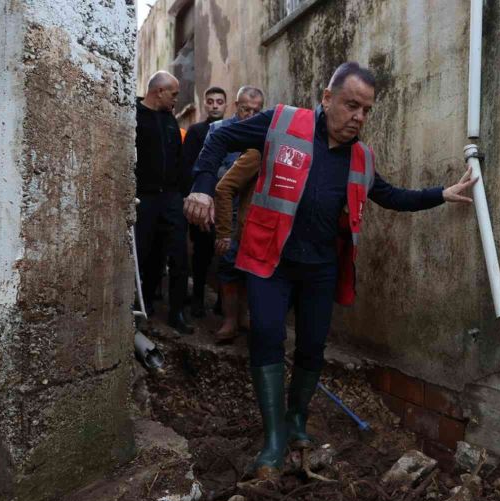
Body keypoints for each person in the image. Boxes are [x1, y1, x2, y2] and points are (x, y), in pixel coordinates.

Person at [185, 62, 476, 478]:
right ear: (327, 98)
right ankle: (273, 440)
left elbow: (391, 196)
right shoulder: (283, 122)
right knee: (266, 335)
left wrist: (441, 194)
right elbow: (220, 137)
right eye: (351, 105)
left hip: (321, 268)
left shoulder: (361, 159)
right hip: (272, 261)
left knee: (312, 347)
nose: (358, 116)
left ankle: (297, 420)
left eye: (366, 110)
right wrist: (200, 185)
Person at [191, 86, 265, 342]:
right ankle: (229, 320)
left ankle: (242, 318)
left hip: (253, 213)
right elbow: (208, 168)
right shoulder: (220, 131)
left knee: (250, 268)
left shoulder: (264, 134)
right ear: (236, 106)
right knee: (227, 264)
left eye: (256, 110)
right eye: (246, 109)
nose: (251, 114)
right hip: (224, 209)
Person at [135, 71, 194, 334]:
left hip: (171, 198)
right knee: (147, 254)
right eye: (173, 94)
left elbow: (180, 160)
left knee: (180, 255)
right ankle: (143, 304)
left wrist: (183, 194)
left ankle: (177, 312)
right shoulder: (134, 117)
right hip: (144, 198)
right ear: (158, 91)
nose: (176, 100)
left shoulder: (170, 121)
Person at [180, 86, 228, 318]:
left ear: (226, 105)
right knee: (201, 253)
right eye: (211, 101)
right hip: (202, 204)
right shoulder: (196, 132)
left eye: (219, 101)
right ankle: (197, 298)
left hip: (227, 206)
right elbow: (188, 167)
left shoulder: (233, 130)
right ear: (205, 104)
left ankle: (223, 302)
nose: (215, 105)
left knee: (227, 255)